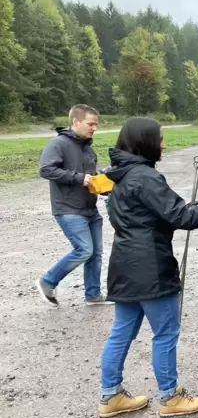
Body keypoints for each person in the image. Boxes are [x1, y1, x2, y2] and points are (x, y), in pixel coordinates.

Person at [98, 117, 198, 418]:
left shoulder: (119, 175)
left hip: (124, 265)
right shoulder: (145, 177)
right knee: (165, 333)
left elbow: (162, 214)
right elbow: (183, 217)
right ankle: (170, 397)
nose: (163, 143)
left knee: (121, 333)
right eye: (160, 138)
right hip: (151, 267)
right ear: (145, 142)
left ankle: (110, 395)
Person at [37, 104, 110, 307]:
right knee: (84, 250)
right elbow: (46, 170)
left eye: (96, 124)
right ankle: (47, 282)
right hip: (68, 209)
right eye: (90, 123)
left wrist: (104, 184)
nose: (94, 128)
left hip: (90, 209)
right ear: (75, 122)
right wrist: (79, 178)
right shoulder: (58, 144)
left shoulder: (87, 147)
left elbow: (90, 177)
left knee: (95, 253)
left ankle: (93, 295)